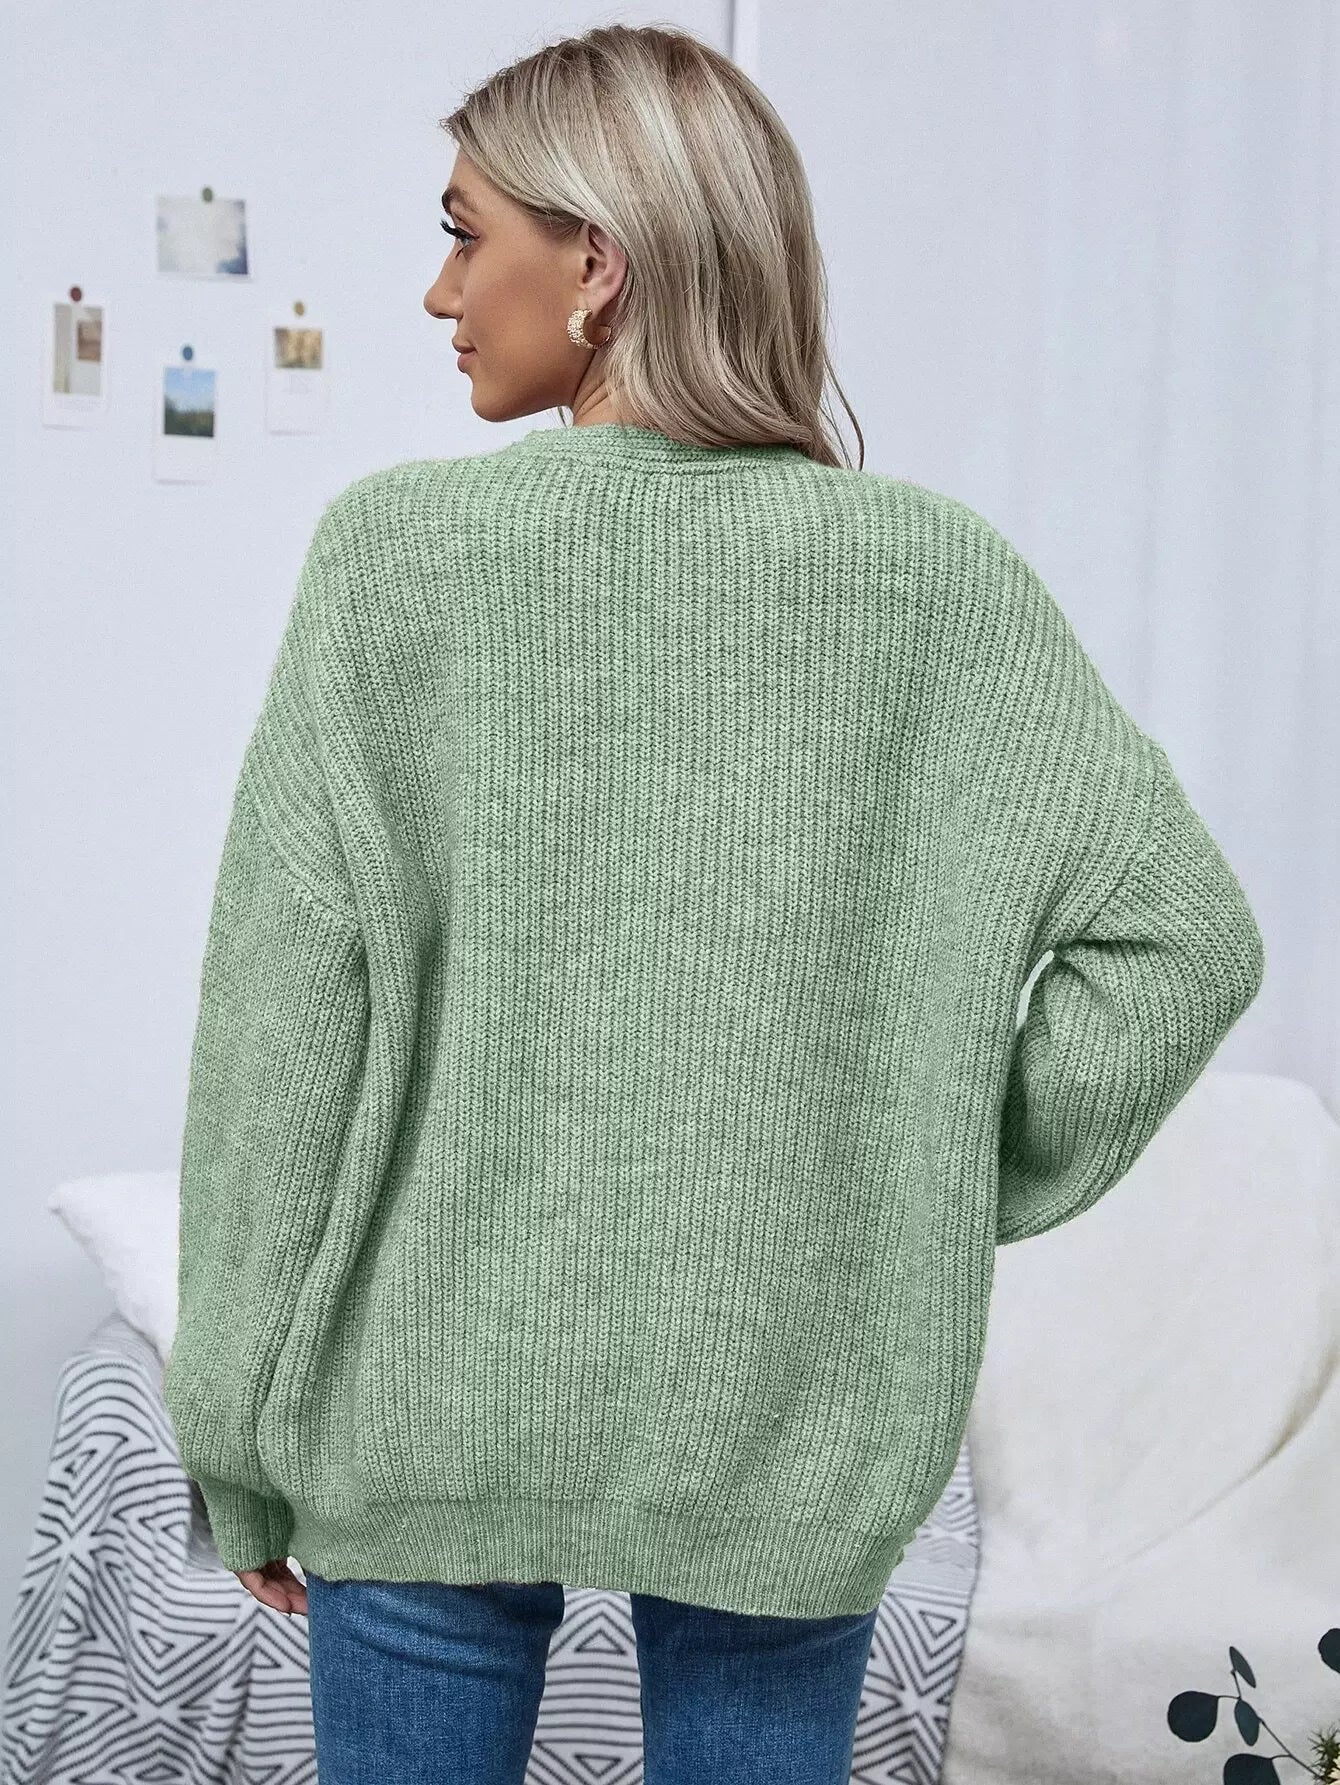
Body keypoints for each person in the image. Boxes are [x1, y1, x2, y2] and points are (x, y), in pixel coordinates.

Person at [161, 21, 1266, 1785]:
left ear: (595, 263)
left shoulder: (396, 562)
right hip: (794, 1415)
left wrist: (231, 1430)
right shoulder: (933, 583)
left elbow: (281, 1036)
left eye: (464, 234)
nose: (440, 291)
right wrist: (919, 1174)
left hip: (421, 1408)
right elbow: (1183, 942)